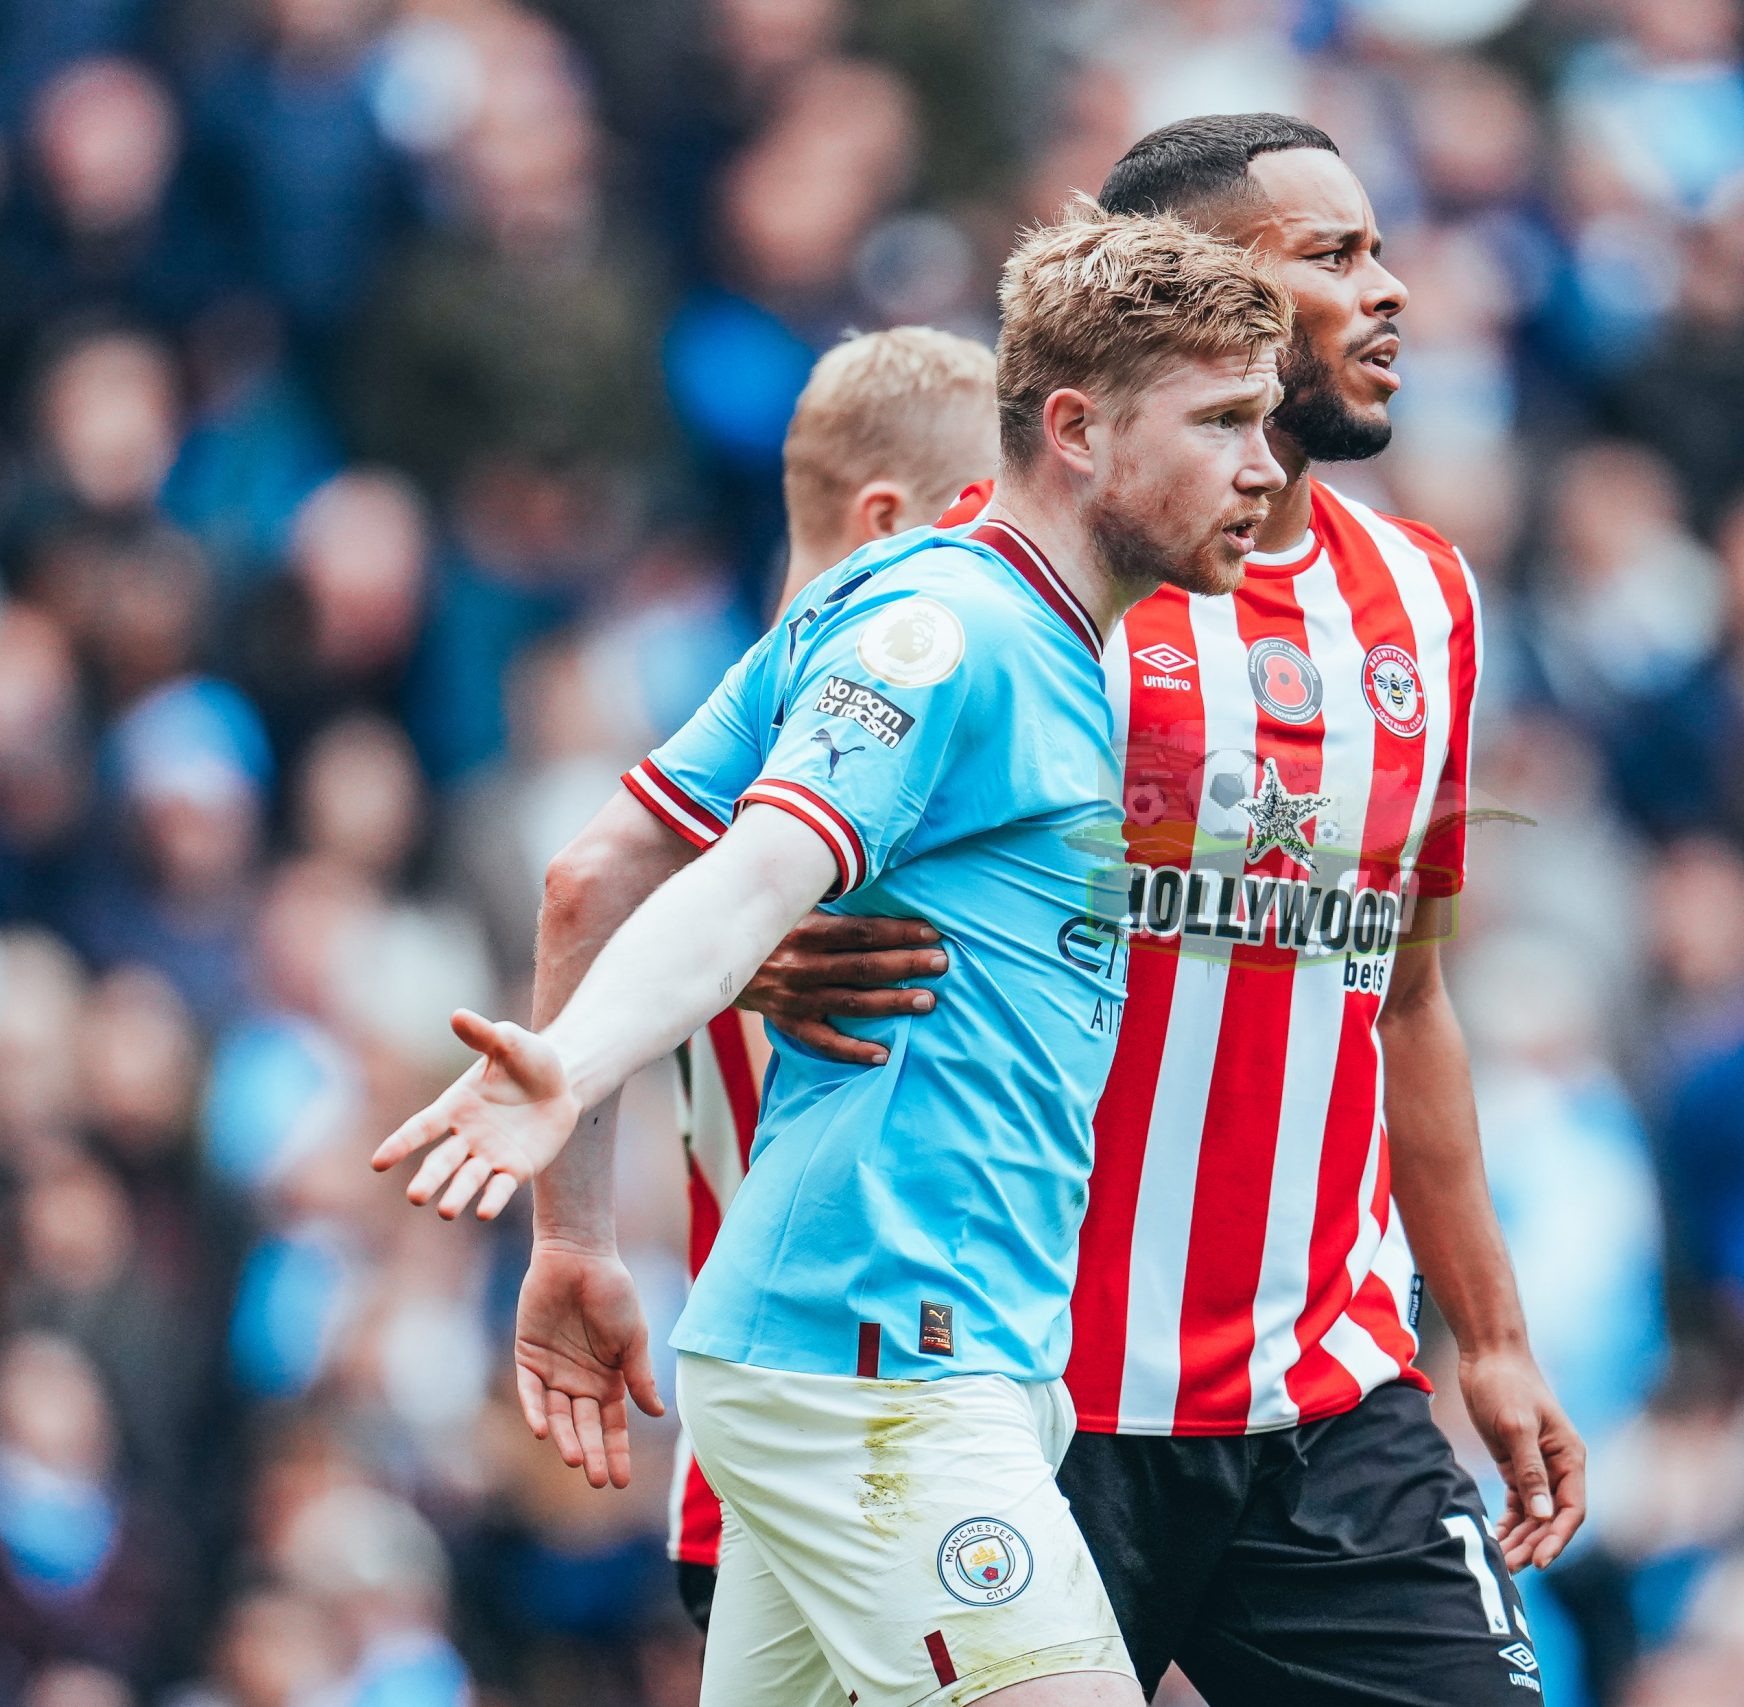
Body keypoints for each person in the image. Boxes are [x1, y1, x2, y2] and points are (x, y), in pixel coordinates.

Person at [555, 112, 1586, 1703]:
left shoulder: (1427, 605)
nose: (1390, 293)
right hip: (1025, 1386)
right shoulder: (1031, 586)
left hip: (1324, 1397)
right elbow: (709, 839)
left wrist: (1494, 1335)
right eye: (1335, 257)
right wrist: (752, 956)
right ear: (1197, 295)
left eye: (1382, 250)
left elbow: (1408, 996)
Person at [371, 207, 1292, 1707]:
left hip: (901, 1355)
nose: (1264, 464)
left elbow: (592, 876)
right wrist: (576, 1072)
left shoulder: (1006, 630)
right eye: (1225, 420)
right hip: (880, 1367)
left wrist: (576, 1240)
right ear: (1075, 429)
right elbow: (743, 885)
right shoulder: (948, 628)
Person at [638, 324, 999, 1632]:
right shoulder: (853, 739)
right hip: (867, 1428)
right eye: (992, 514)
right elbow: (587, 897)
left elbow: (589, 898)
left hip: (788, 1447)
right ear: (889, 519)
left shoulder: (712, 744)